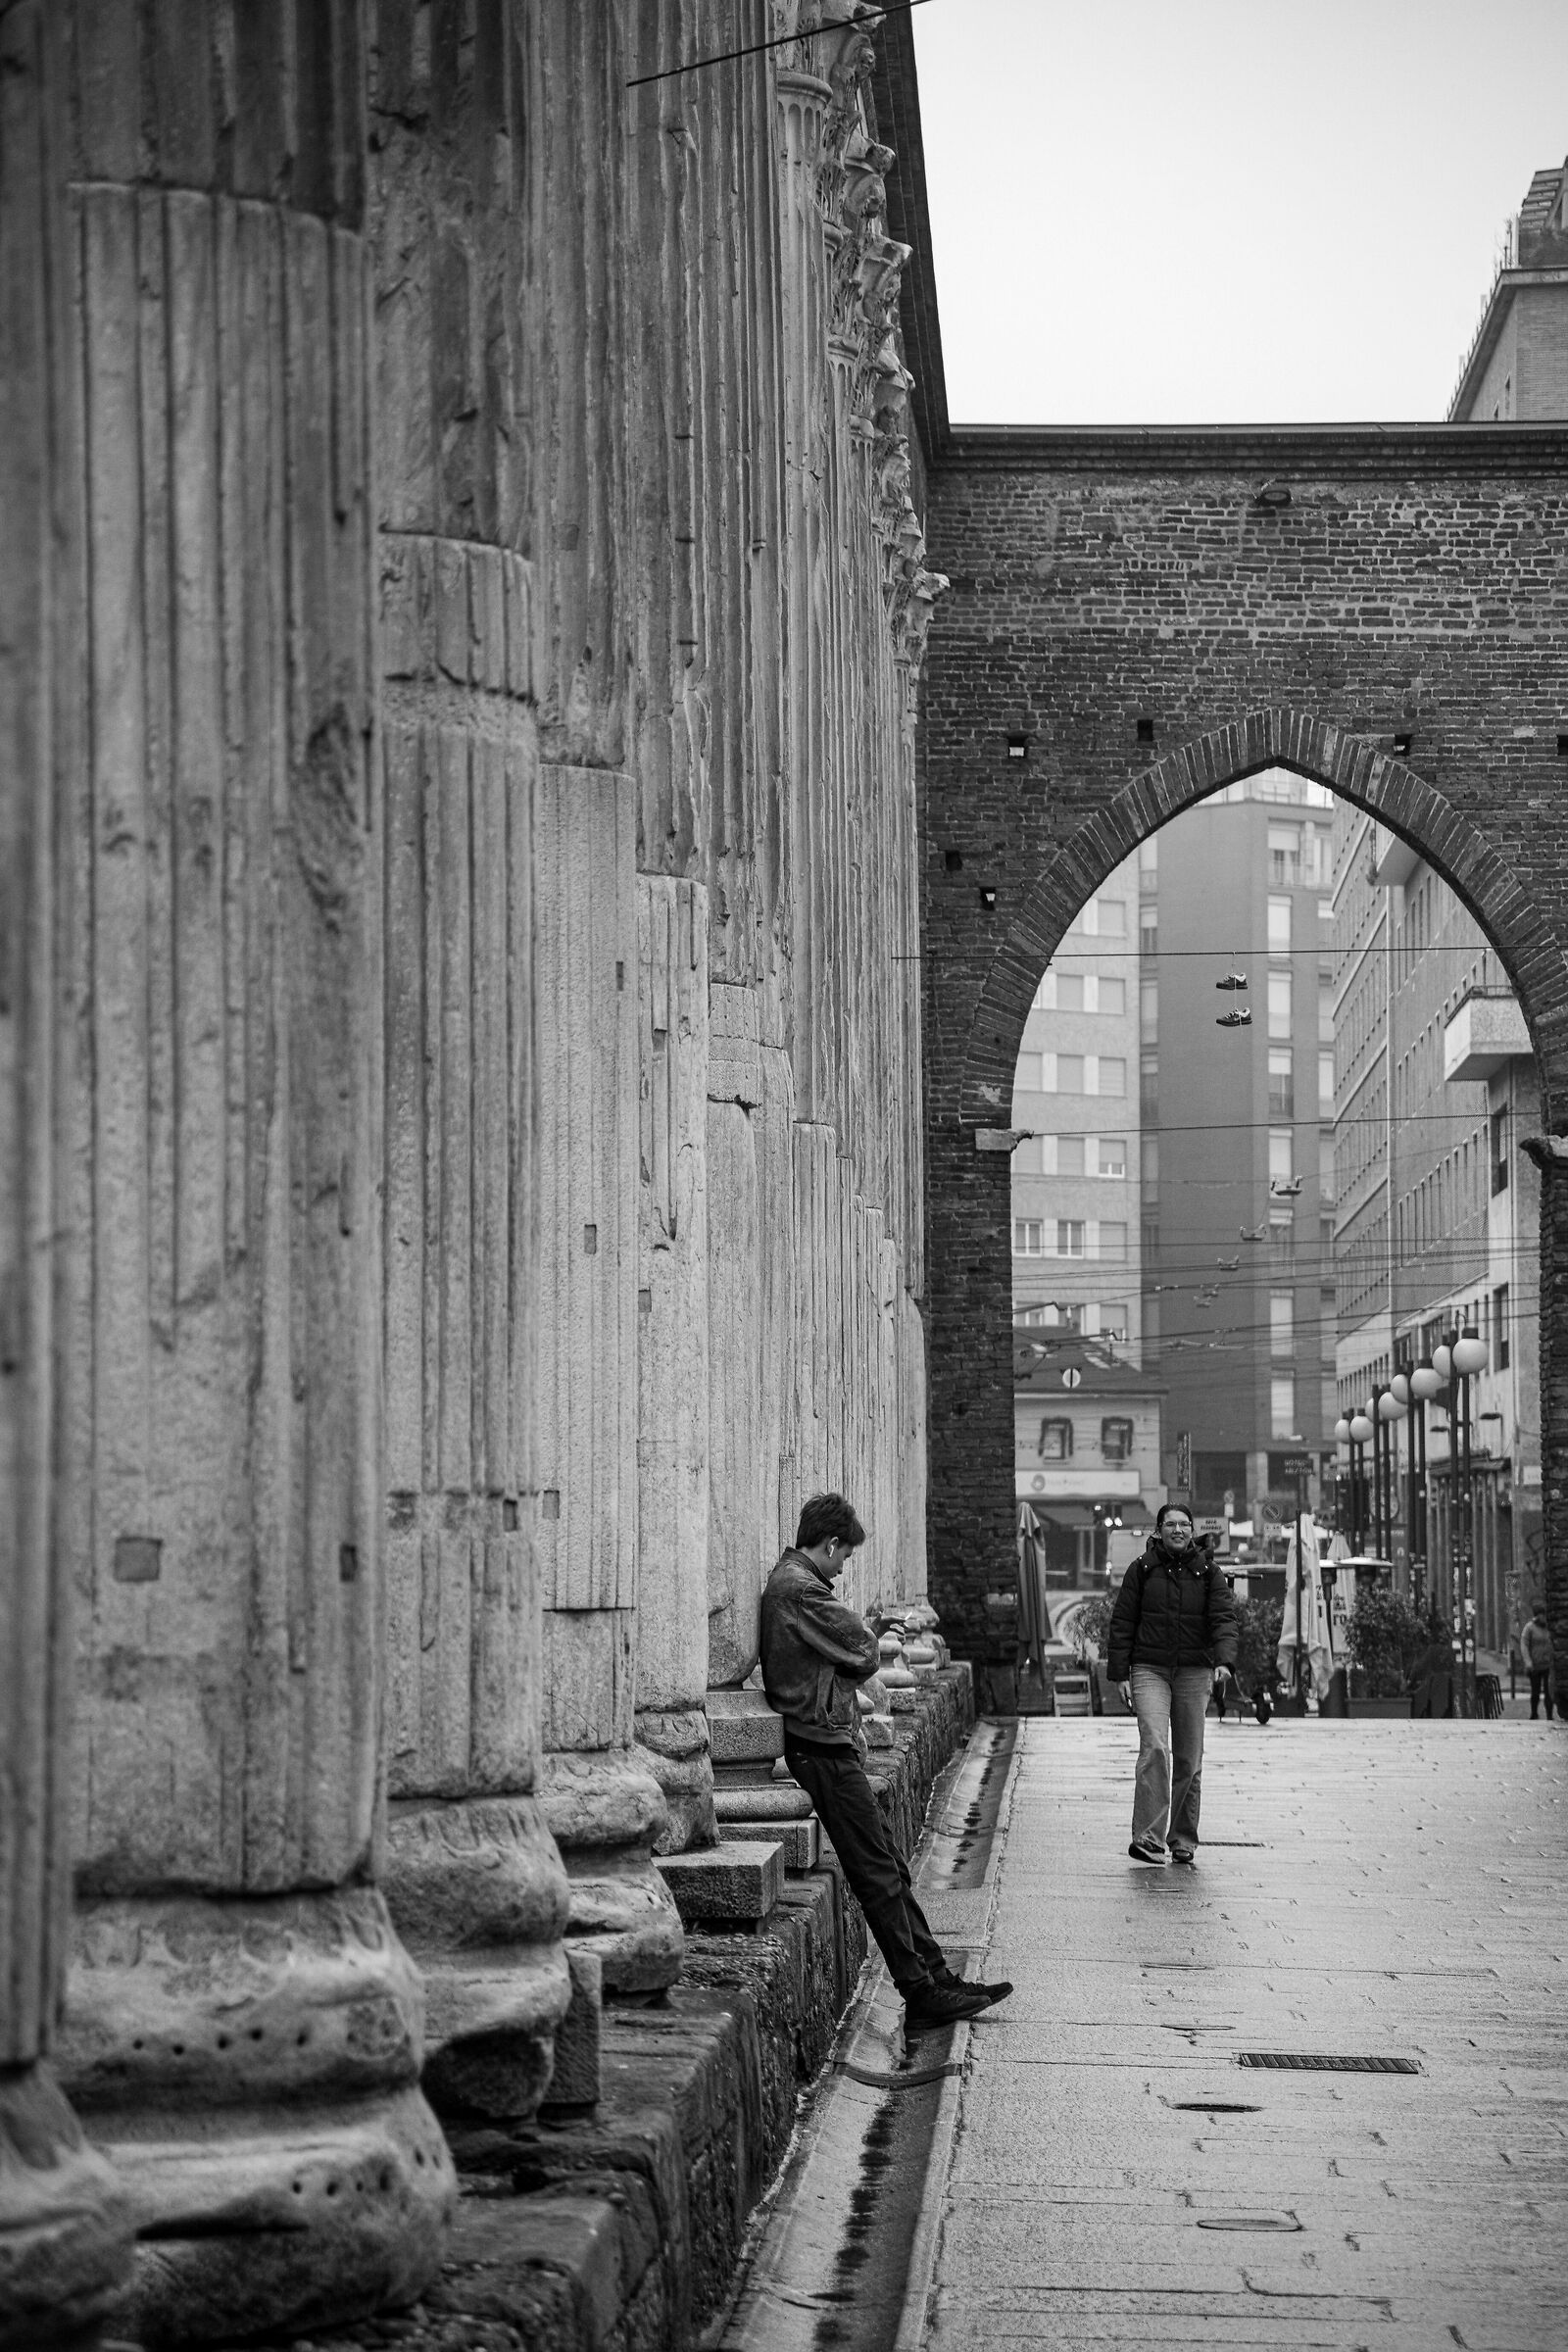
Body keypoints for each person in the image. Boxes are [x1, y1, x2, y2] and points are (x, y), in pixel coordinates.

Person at [760, 1494, 1011, 2029]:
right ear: (830, 1544)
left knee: (889, 1867)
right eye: (845, 1556)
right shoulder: (800, 1589)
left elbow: (846, 1654)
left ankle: (936, 1976)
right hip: (820, 1747)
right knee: (876, 1871)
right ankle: (921, 1989)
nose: (844, 1565)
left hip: (824, 1742)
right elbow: (864, 1652)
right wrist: (868, 1637)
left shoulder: (796, 1585)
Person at [1106, 1504, 1238, 1866]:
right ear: (1159, 1529)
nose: (1178, 1530)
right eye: (1170, 1524)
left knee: (1189, 1759)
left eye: (1184, 1524)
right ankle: (1148, 1838)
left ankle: (1182, 1838)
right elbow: (1123, 1622)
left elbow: (1223, 1618)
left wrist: (1225, 1660)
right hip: (1149, 1669)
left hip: (1194, 1671)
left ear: (1192, 1530)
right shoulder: (1142, 1570)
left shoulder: (1209, 1572)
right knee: (1154, 1746)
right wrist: (1119, 1673)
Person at [1522, 1606, 1555, 1721]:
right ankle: (1534, 1713)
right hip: (1534, 1666)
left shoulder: (1548, 1627)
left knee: (1549, 1692)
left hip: (1547, 1665)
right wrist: (1528, 1662)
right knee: (1535, 1692)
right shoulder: (1529, 1628)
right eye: (1539, 1615)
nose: (1542, 1617)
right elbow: (1524, 1645)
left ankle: (1550, 1715)